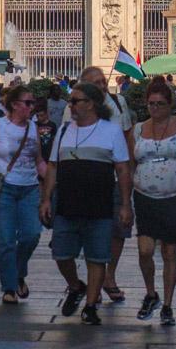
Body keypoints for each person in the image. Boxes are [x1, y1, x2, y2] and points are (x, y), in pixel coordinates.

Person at [41, 83, 133, 326]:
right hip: (67, 204)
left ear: (90, 104)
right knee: (61, 253)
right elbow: (52, 166)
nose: (69, 105)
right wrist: (46, 199)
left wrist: (125, 204)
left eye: (75, 101)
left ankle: (90, 306)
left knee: (97, 257)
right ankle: (75, 285)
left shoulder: (111, 131)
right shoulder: (63, 131)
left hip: (99, 205)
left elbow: (123, 168)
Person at [129, 81, 176, 325]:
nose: (155, 108)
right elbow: (130, 165)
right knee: (144, 250)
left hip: (175, 197)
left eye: (160, 104)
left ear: (170, 104)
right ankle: (151, 293)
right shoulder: (138, 129)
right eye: (151, 104)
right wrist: (125, 201)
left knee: (169, 251)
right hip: (145, 197)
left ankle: (168, 305)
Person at [0, 83, 46, 305]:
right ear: (15, 105)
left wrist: (52, 181)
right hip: (4, 187)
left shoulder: (33, 126)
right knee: (5, 240)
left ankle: (18, 273)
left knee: (31, 234)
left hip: (29, 187)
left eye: (33, 102)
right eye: (28, 103)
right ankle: (10, 286)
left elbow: (39, 161)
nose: (32, 106)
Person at [79, 65, 133, 304]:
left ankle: (109, 276)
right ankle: (94, 280)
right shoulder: (75, 107)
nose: (102, 86)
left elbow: (129, 136)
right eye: (96, 83)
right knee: (91, 230)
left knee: (119, 229)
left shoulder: (118, 101)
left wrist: (130, 170)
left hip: (115, 177)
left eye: (103, 81)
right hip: (88, 181)